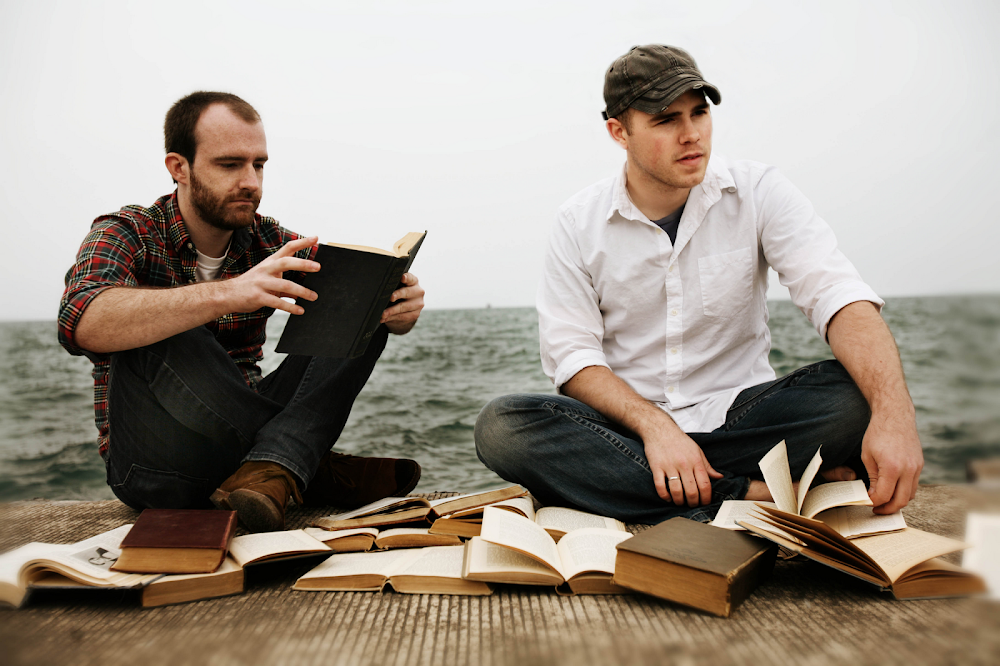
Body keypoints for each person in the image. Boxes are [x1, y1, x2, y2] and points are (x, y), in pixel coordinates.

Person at [475, 45, 923, 524]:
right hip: (629, 431)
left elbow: (836, 295)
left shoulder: (758, 190)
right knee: (501, 428)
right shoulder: (578, 222)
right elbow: (573, 357)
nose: (691, 135)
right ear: (619, 132)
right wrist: (656, 428)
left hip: (743, 423)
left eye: (699, 113)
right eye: (666, 120)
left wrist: (894, 416)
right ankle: (748, 491)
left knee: (858, 393)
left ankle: (643, 484)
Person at [59, 92, 426, 532]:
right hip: (155, 465)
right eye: (230, 165)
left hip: (238, 460)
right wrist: (230, 293)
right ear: (179, 168)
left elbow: (354, 304)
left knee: (360, 305)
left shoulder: (269, 242)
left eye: (259, 165)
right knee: (167, 321)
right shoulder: (127, 231)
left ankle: (275, 463)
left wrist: (397, 310)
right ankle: (298, 461)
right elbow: (80, 319)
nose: (251, 181)